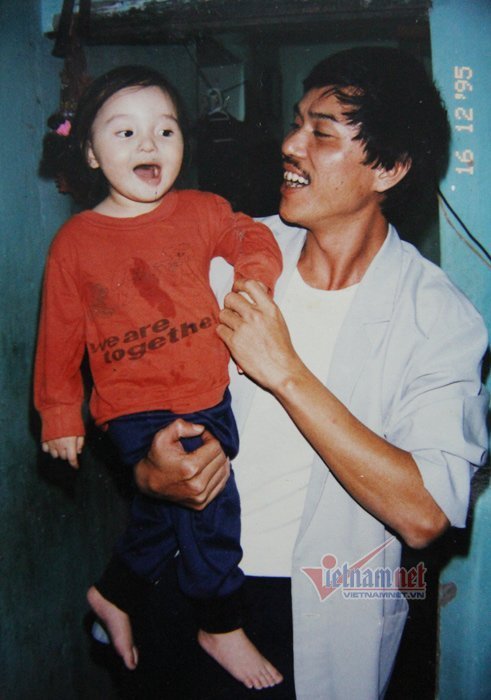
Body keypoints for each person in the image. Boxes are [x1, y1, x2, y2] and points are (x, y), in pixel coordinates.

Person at [130, 47, 489, 699]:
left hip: (315, 607)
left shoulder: (437, 318)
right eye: (297, 123)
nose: (290, 145)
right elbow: (141, 400)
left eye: (321, 133)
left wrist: (286, 373)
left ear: (389, 168)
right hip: (188, 583)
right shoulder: (228, 257)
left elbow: (426, 514)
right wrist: (148, 471)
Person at [34, 65, 285, 690]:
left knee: (165, 510)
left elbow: (250, 234)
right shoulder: (75, 242)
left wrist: (253, 277)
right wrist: (60, 414)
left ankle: (114, 591)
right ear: (90, 154)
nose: (149, 144)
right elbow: (59, 336)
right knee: (210, 503)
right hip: (131, 405)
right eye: (125, 132)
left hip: (208, 390)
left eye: (165, 130)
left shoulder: (201, 210)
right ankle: (220, 622)